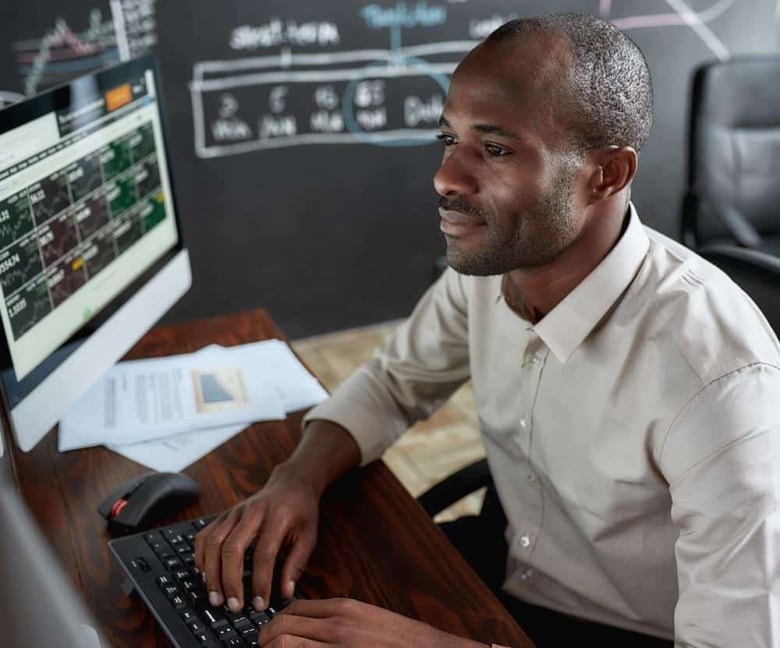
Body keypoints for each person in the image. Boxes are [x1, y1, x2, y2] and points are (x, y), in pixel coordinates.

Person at [194, 12, 780, 648]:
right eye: (450, 139)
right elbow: (393, 383)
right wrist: (295, 480)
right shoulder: (496, 265)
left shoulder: (719, 382)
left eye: (496, 150)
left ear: (606, 174)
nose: (447, 177)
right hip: (503, 569)